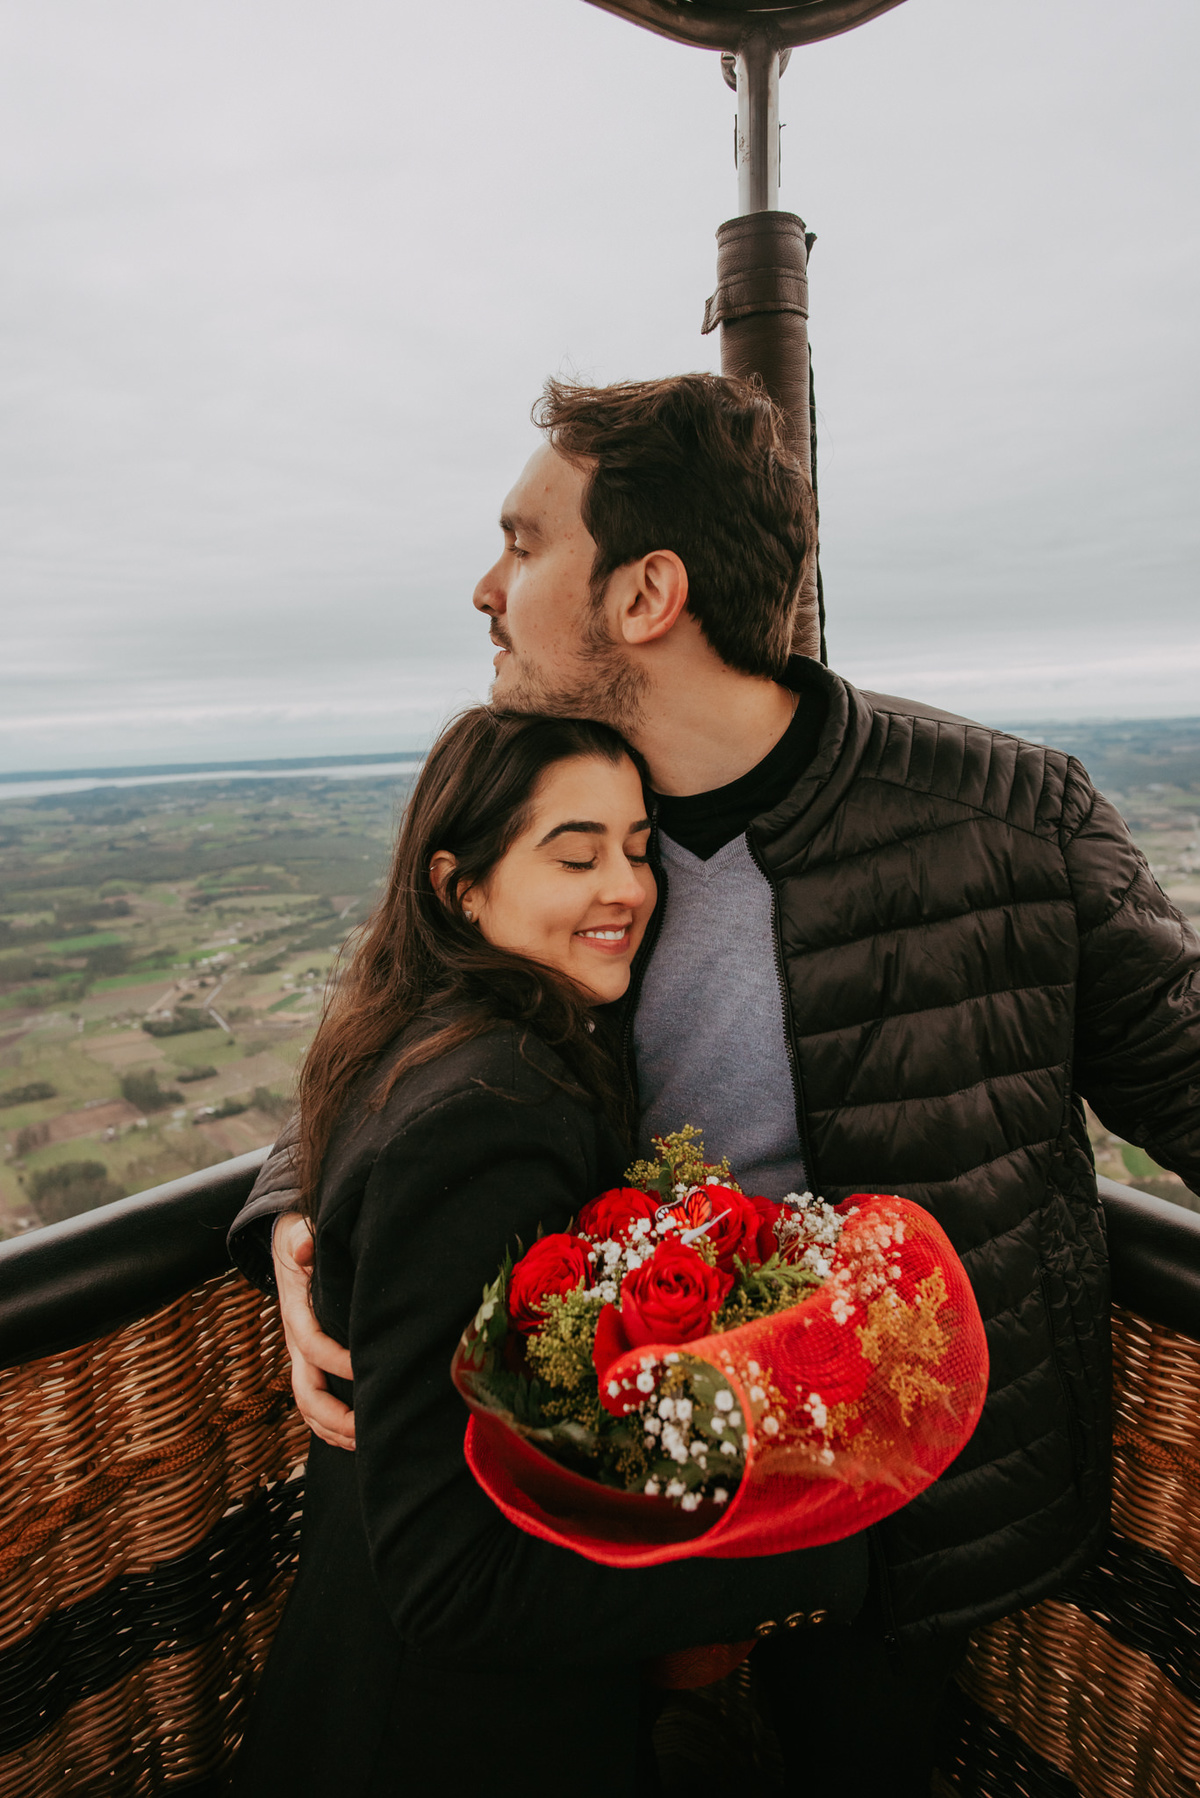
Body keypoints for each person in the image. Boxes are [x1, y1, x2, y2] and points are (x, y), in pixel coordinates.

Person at [231, 374, 1200, 1794]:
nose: (485, 586)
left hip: (890, 1529)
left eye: (524, 541)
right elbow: (397, 1019)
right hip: (591, 1509)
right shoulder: (554, 834)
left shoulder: (1011, 817)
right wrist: (297, 1207)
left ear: (646, 593)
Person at [229, 706, 867, 1797]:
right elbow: (451, 1580)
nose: (624, 887)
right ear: (460, 886)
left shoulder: (440, 1033)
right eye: (574, 855)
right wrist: (816, 1557)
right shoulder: (490, 1108)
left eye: (635, 848)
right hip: (440, 1738)